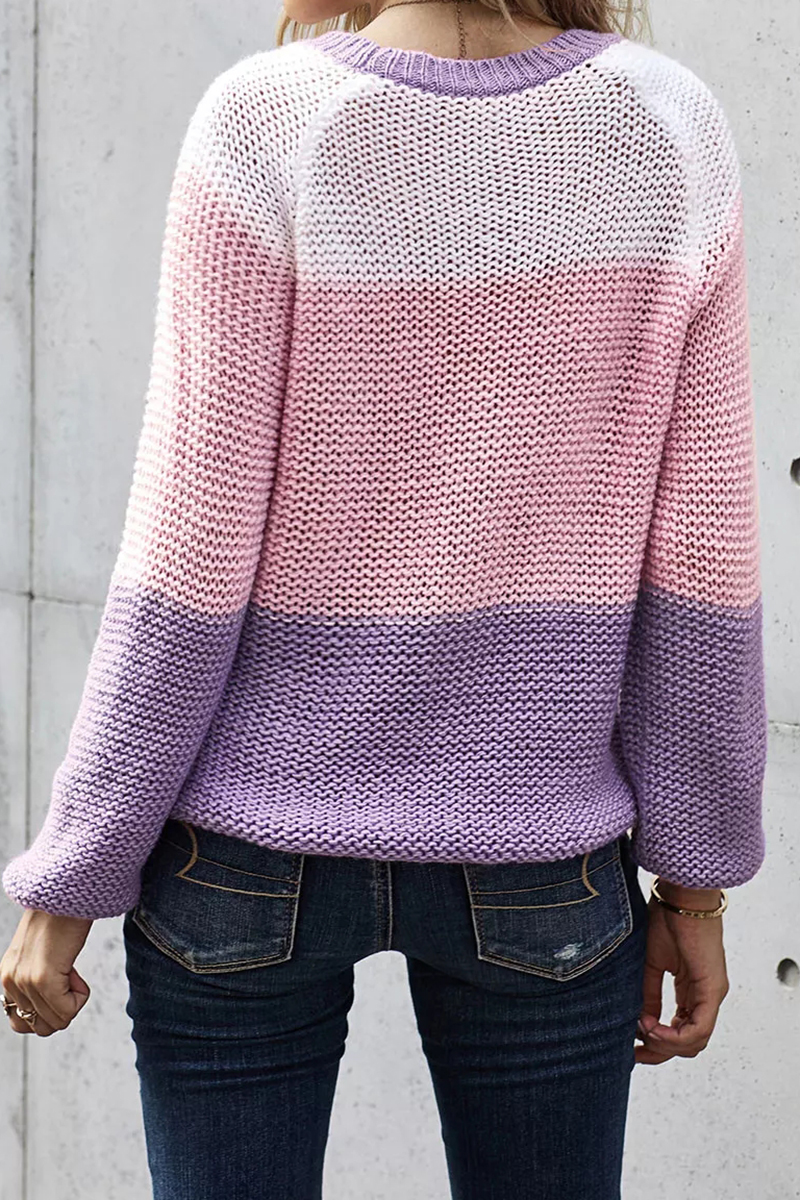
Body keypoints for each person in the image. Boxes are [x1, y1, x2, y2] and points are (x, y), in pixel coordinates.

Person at [0, 0, 767, 1196]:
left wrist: (73, 876)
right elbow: (701, 558)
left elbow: (190, 544)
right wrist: (694, 884)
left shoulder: (265, 120)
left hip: (245, 849)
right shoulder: (668, 128)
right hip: (542, 852)